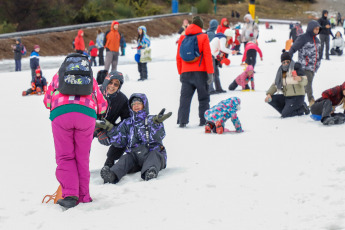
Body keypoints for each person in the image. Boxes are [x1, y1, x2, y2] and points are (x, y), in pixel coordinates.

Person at [43, 54, 108, 209]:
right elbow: (102, 105)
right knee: (82, 158)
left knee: (65, 156)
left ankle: (71, 194)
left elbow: (46, 101)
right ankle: (84, 196)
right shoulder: (90, 79)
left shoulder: (58, 76)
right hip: (86, 116)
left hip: (61, 115)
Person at [97, 93, 171, 183]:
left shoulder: (152, 120)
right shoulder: (127, 123)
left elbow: (159, 136)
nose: (136, 106)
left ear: (144, 105)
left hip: (152, 153)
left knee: (154, 155)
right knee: (126, 158)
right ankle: (112, 175)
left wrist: (157, 124)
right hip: (135, 157)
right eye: (133, 104)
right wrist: (111, 129)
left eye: (138, 103)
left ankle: (150, 172)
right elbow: (120, 142)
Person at [176, 16, 214, 127]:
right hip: (200, 73)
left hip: (185, 73)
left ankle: (182, 121)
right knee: (203, 97)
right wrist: (210, 72)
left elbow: (178, 57)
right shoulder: (203, 37)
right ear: (200, 26)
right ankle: (204, 120)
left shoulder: (183, 38)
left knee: (185, 99)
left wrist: (180, 72)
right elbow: (207, 56)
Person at [95, 71, 130, 168]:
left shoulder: (122, 99)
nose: (112, 86)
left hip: (108, 126)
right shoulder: (94, 92)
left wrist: (113, 130)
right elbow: (84, 116)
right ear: (106, 81)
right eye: (110, 82)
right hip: (89, 126)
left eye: (116, 84)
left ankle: (110, 162)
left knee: (124, 134)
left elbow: (126, 120)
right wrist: (98, 131)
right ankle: (80, 166)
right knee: (80, 136)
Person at [264, 50, 310, 118]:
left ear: (290, 61)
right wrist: (269, 94)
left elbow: (305, 81)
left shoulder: (296, 67)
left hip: (297, 97)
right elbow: (275, 84)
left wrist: (299, 79)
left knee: (285, 114)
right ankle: (287, 110)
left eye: (287, 62)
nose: (285, 64)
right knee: (271, 100)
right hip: (287, 97)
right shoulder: (281, 71)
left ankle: (302, 109)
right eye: (283, 62)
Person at [289, 20, 321, 107]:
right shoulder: (303, 38)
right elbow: (293, 48)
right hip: (304, 66)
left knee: (304, 86)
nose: (317, 31)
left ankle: (297, 101)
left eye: (318, 29)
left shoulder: (317, 40)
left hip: (313, 67)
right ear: (311, 29)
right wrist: (288, 56)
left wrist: (318, 63)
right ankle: (311, 101)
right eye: (316, 29)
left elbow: (319, 53)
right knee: (308, 83)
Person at [209, 28, 233, 94]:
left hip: (213, 56)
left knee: (216, 72)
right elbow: (221, 49)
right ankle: (210, 89)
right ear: (228, 35)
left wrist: (219, 55)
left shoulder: (221, 39)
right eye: (230, 37)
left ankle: (218, 88)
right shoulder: (223, 38)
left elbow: (216, 49)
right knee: (212, 73)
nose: (230, 38)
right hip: (210, 56)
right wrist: (232, 52)